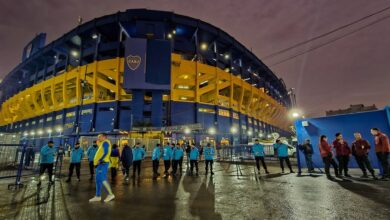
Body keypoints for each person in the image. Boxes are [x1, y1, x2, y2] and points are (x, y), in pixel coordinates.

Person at [89, 133, 115, 203]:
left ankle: (110, 194)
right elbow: (102, 151)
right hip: (100, 164)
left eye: (99, 137)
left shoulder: (106, 142)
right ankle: (98, 196)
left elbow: (106, 152)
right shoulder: (103, 143)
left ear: (104, 137)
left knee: (102, 179)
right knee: (98, 180)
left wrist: (100, 160)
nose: (98, 138)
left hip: (103, 163)